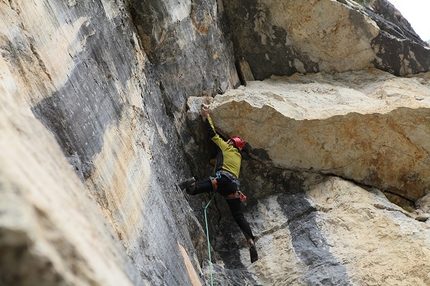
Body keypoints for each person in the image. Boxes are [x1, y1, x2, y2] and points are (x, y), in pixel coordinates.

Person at [178, 103, 258, 263]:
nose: (227, 141)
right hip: (233, 187)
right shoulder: (238, 157)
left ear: (231, 143)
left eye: (229, 141)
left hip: (221, 180)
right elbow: (221, 161)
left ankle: (192, 182)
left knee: (192, 191)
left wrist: (206, 116)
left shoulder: (226, 148)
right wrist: (212, 161)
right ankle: (250, 241)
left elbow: (213, 135)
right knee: (238, 215)